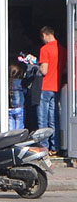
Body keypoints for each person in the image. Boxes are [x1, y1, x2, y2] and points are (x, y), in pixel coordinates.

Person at [37, 25, 61, 154]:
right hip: (57, 86)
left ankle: (43, 146)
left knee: (43, 118)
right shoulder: (62, 49)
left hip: (45, 86)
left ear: (44, 35)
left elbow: (44, 70)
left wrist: (37, 65)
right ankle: (55, 146)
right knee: (54, 117)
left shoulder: (45, 49)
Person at [8, 60, 25, 130]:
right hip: (19, 108)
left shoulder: (7, 83)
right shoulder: (20, 83)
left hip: (9, 108)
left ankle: (11, 140)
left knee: (11, 129)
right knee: (19, 129)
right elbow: (26, 91)